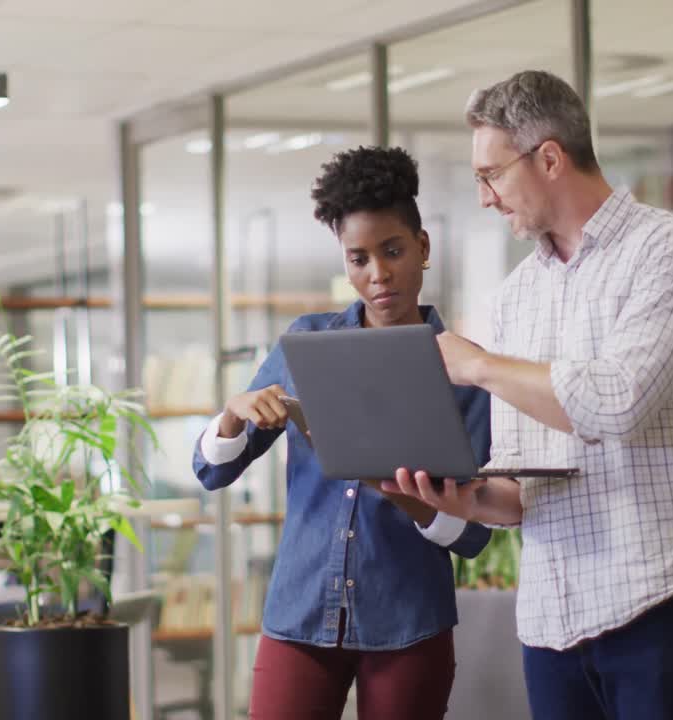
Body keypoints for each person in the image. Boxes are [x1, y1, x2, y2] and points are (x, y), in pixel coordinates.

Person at [383, 70, 673, 720]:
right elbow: (519, 493)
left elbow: (617, 401)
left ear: (548, 157)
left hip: (651, 600)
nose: (484, 197)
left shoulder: (668, 251)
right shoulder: (516, 297)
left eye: (492, 175)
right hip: (548, 623)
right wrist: (456, 496)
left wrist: (480, 367)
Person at [192, 145, 492, 720]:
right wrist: (233, 413)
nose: (377, 275)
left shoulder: (463, 369)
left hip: (408, 620)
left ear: (423, 248)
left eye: (393, 251)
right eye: (358, 259)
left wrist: (403, 494)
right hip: (300, 612)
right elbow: (213, 470)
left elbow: (473, 535)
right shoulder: (306, 343)